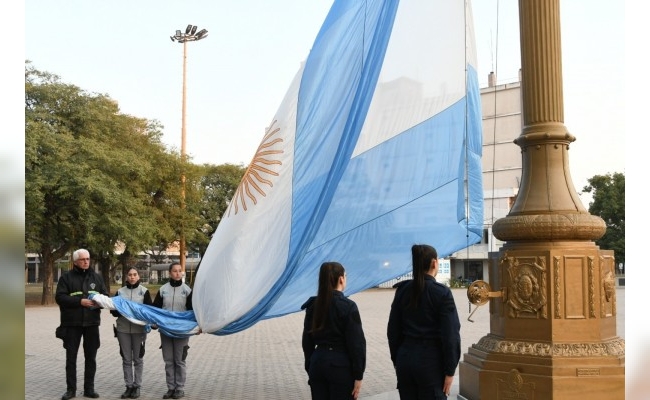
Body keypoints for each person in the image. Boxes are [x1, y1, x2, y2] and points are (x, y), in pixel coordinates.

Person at [387, 244, 461, 399]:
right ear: (434, 263)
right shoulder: (441, 293)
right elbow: (451, 335)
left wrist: (398, 359)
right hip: (431, 363)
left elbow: (393, 330)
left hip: (405, 359)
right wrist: (450, 370)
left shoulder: (402, 290)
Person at [301, 262, 366, 400]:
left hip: (318, 362)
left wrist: (311, 364)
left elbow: (307, 341)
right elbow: (356, 344)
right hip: (340, 366)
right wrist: (358, 375)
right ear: (341, 279)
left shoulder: (312, 306)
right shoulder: (348, 306)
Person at [55, 248, 109, 400]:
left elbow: (105, 296)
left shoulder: (96, 278)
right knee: (71, 358)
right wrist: (80, 301)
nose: (86, 261)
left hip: (92, 323)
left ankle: (89, 389)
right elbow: (60, 298)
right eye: (83, 259)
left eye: (88, 259)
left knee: (91, 357)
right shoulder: (66, 278)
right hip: (72, 324)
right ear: (75, 261)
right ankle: (71, 390)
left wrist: (100, 303)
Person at [110, 267, 153, 399]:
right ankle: (128, 386)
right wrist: (119, 310)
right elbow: (113, 312)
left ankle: (137, 386)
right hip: (123, 330)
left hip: (138, 330)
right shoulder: (120, 292)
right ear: (126, 277)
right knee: (126, 359)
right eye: (130, 275)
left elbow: (149, 311)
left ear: (138, 277)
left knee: (138, 359)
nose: (132, 277)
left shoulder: (144, 292)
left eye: (135, 275)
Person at [153, 262, 193, 399]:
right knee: (169, 360)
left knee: (179, 360)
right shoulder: (163, 289)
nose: (177, 273)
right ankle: (171, 388)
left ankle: (180, 388)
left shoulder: (187, 290)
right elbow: (156, 309)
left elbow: (192, 311)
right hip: (165, 330)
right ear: (170, 273)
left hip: (181, 331)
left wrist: (196, 327)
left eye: (179, 271)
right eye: (175, 271)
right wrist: (154, 323)